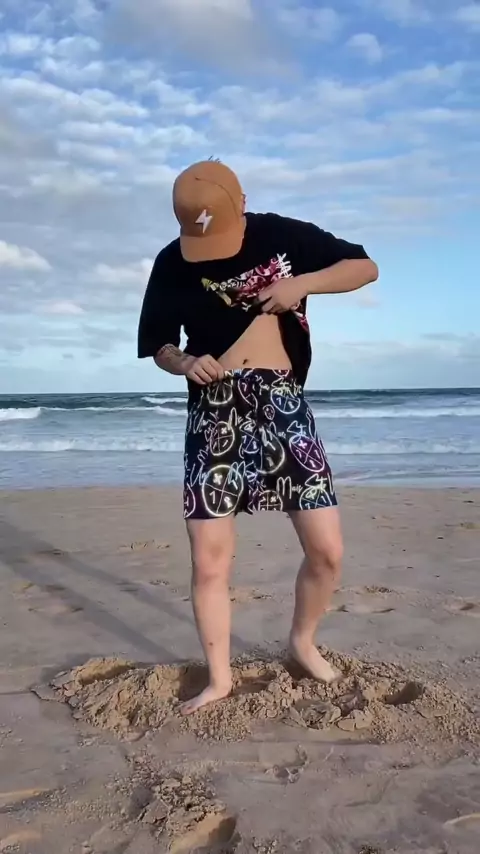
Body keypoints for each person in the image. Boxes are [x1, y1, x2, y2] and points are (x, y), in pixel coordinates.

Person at [138, 160, 378, 714]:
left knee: (327, 550)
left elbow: (365, 268)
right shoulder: (172, 260)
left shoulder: (282, 235)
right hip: (214, 411)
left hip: (283, 404)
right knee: (209, 561)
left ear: (241, 201)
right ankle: (219, 679)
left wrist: (303, 284)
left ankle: (302, 642)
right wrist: (184, 362)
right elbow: (158, 343)